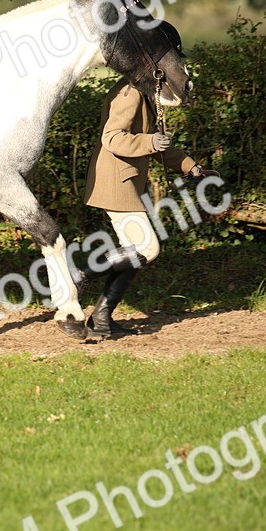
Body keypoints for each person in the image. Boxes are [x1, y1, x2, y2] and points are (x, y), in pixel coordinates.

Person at [82, 58, 217, 340]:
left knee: (134, 254)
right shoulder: (129, 94)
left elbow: (156, 146)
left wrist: (189, 166)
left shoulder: (142, 93)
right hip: (117, 182)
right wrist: (150, 142)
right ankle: (77, 276)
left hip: (126, 182)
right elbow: (112, 138)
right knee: (147, 248)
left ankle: (101, 319)